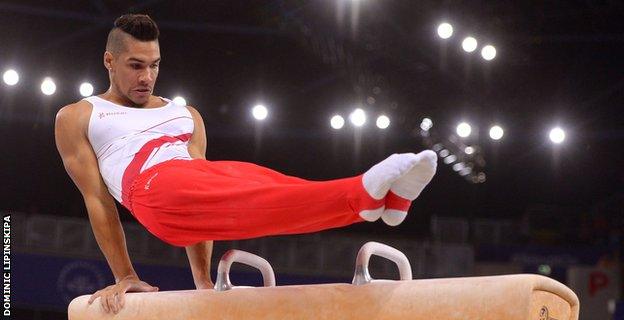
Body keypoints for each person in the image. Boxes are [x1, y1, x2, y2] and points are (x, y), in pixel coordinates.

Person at [54, 14, 437, 314]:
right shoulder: (80, 116)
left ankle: (381, 202)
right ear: (109, 60)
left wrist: (203, 282)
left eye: (154, 65)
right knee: (246, 191)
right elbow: (98, 201)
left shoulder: (185, 114)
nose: (147, 77)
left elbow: (208, 208)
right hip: (152, 192)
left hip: (193, 185)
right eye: (136, 65)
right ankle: (362, 193)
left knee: (268, 187)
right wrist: (126, 276)